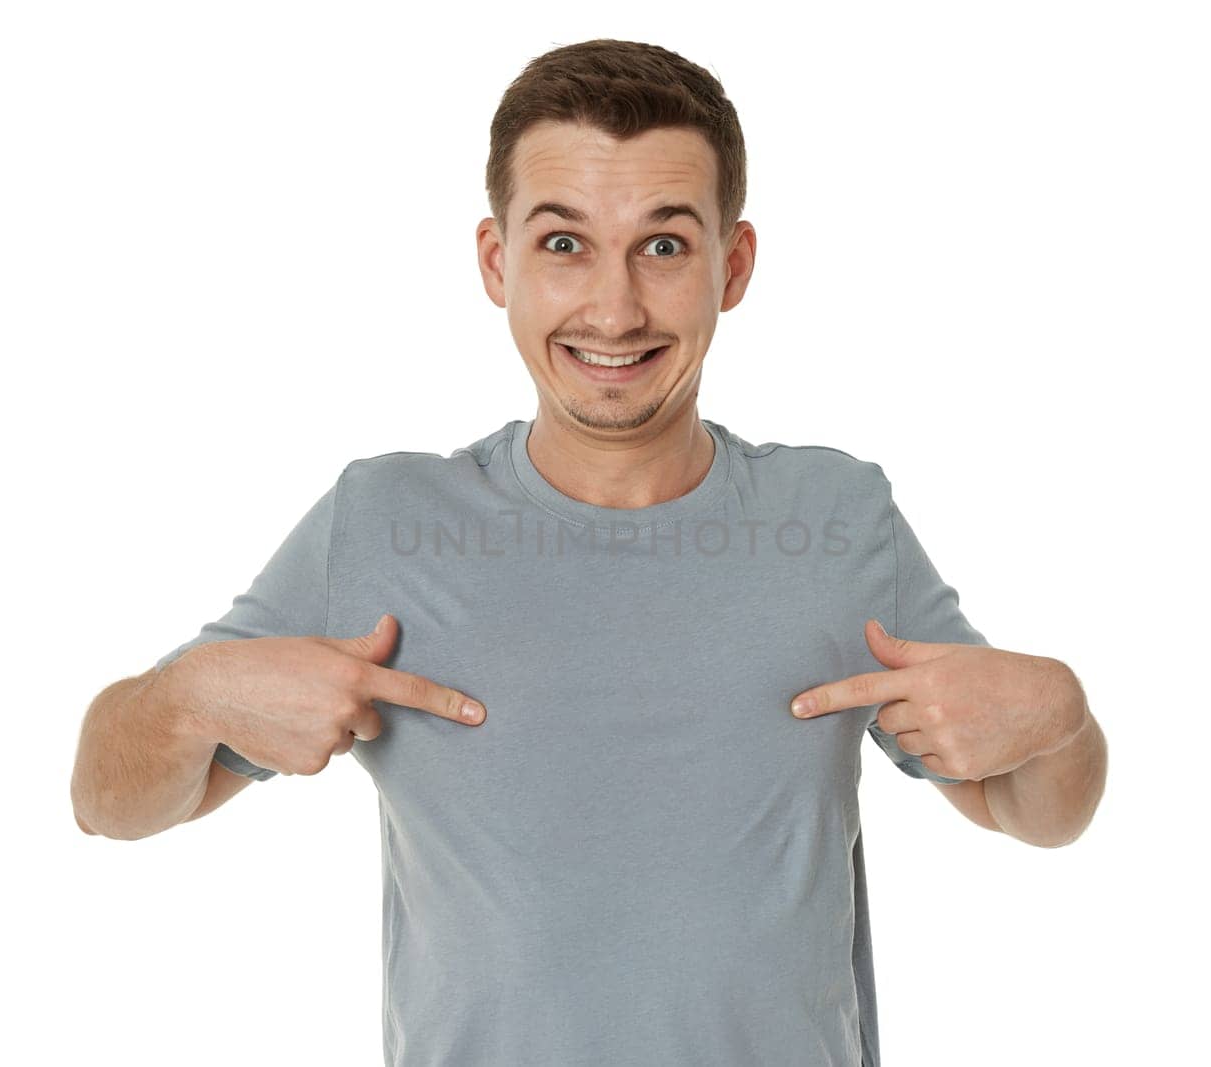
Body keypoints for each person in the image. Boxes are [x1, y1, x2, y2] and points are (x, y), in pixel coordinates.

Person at [71, 38, 1108, 1067]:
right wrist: (193, 697)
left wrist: (1059, 715)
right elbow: (105, 800)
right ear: (496, 261)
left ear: (731, 265)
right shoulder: (385, 521)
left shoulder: (836, 515)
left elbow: (1032, 806)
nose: (613, 310)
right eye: (564, 244)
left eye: (663, 246)